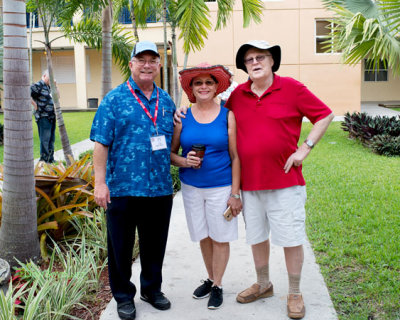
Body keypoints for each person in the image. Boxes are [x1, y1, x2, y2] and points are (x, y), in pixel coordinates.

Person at [175, 40, 334, 319]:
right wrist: (183, 112)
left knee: (291, 238)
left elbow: (325, 115)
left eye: (261, 57)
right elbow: (212, 110)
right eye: (249, 60)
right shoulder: (239, 95)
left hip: (285, 181)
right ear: (245, 66)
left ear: (272, 61)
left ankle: (295, 292)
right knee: (257, 238)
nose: (255, 63)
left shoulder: (292, 88)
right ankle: (264, 284)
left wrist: (304, 149)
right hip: (250, 183)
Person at [90, 41, 176, 320]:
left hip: (160, 188)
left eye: (153, 60)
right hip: (123, 188)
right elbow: (101, 144)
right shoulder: (114, 100)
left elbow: (172, 140)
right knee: (120, 247)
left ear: (158, 65)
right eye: (142, 60)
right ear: (131, 64)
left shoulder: (166, 101)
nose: (147, 64)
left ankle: (151, 289)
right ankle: (124, 296)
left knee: (155, 245)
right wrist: (100, 183)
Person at [170, 63, 242, 310]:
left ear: (216, 87)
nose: (203, 87)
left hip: (221, 187)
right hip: (191, 187)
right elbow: (171, 154)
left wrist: (235, 193)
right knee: (203, 235)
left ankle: (218, 285)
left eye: (208, 83)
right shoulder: (182, 117)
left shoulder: (227, 115)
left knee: (220, 237)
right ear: (191, 88)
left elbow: (236, 156)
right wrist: (185, 161)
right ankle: (211, 278)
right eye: (198, 83)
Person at [31, 70, 56, 163]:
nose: (50, 81)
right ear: (44, 76)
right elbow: (26, 93)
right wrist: (35, 105)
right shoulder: (38, 85)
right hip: (43, 117)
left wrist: (55, 85)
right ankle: (44, 160)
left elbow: (58, 96)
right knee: (45, 139)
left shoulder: (49, 87)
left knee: (51, 139)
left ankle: (50, 159)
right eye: (49, 79)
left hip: (51, 116)